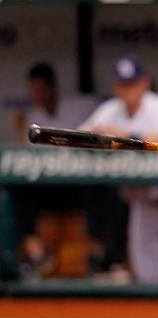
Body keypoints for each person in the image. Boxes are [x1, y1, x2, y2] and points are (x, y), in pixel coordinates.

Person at [80, 57, 158, 284]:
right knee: (148, 278)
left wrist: (126, 136)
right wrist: (98, 133)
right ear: (115, 87)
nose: (128, 90)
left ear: (145, 83)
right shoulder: (109, 110)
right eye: (123, 85)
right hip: (141, 203)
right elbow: (80, 136)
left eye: (132, 84)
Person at [10, 63, 96, 277]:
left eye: (40, 89)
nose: (36, 95)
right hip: (48, 187)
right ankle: (37, 254)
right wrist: (20, 132)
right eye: (33, 90)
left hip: (77, 185)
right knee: (17, 191)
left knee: (99, 189)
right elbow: (26, 159)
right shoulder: (32, 117)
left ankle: (100, 256)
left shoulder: (78, 108)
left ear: (51, 88)